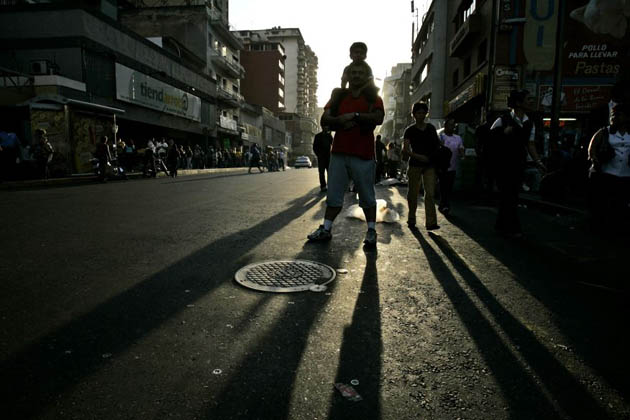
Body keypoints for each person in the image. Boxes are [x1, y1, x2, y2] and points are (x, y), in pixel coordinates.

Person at [307, 60, 384, 246]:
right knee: (333, 194)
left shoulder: (374, 98)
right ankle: (325, 229)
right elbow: (324, 119)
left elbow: (378, 118)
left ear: (366, 77)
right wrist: (340, 120)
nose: (356, 75)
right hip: (339, 153)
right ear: (347, 76)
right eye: (353, 72)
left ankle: (371, 231)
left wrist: (356, 116)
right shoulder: (339, 96)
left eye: (360, 73)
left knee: (367, 195)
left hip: (364, 154)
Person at [490, 89, 546, 238]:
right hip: (503, 164)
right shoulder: (503, 119)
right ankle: (513, 227)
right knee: (507, 195)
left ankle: (501, 225)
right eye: (528, 99)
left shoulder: (529, 123)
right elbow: (490, 140)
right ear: (519, 102)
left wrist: (538, 161)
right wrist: (503, 133)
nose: (531, 102)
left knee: (511, 195)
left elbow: (530, 144)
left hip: (518, 163)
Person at [587, 102, 630, 232]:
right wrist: (595, 159)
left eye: (619, 115)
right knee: (605, 201)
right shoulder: (605, 132)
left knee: (621, 202)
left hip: (626, 173)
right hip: (607, 172)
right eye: (613, 115)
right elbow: (592, 148)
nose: (615, 118)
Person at [402, 102, 441, 230]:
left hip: (429, 165)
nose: (421, 115)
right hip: (414, 165)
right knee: (412, 194)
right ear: (414, 115)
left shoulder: (430, 128)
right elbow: (406, 150)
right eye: (418, 113)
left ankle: (431, 222)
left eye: (423, 113)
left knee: (430, 193)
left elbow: (436, 145)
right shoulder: (409, 130)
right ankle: (411, 218)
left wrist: (431, 157)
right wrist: (419, 156)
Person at [438, 118, 465, 215]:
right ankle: (444, 205)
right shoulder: (441, 137)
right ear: (445, 126)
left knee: (449, 187)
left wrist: (462, 154)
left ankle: (445, 203)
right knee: (443, 186)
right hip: (443, 167)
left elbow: (461, 147)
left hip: (453, 166)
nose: (452, 127)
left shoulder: (457, 138)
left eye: (453, 125)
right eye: (450, 125)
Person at [313, 126, 333, 191]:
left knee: (329, 172)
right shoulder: (317, 136)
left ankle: (330, 185)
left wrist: (330, 134)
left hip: (328, 157)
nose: (326, 128)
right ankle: (323, 186)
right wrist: (318, 155)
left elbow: (333, 144)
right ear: (323, 128)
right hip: (321, 157)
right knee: (321, 172)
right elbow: (314, 147)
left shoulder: (329, 136)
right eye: (325, 127)